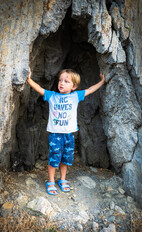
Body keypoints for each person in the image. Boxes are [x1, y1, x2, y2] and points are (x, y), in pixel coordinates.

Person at [27, 67, 105, 195]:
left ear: (74, 86)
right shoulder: (52, 96)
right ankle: (51, 181)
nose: (61, 83)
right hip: (55, 135)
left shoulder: (75, 96)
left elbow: (90, 90)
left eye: (66, 81)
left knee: (66, 159)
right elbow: (39, 89)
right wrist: (29, 79)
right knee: (54, 158)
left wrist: (102, 82)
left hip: (69, 135)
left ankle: (62, 179)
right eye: (60, 80)